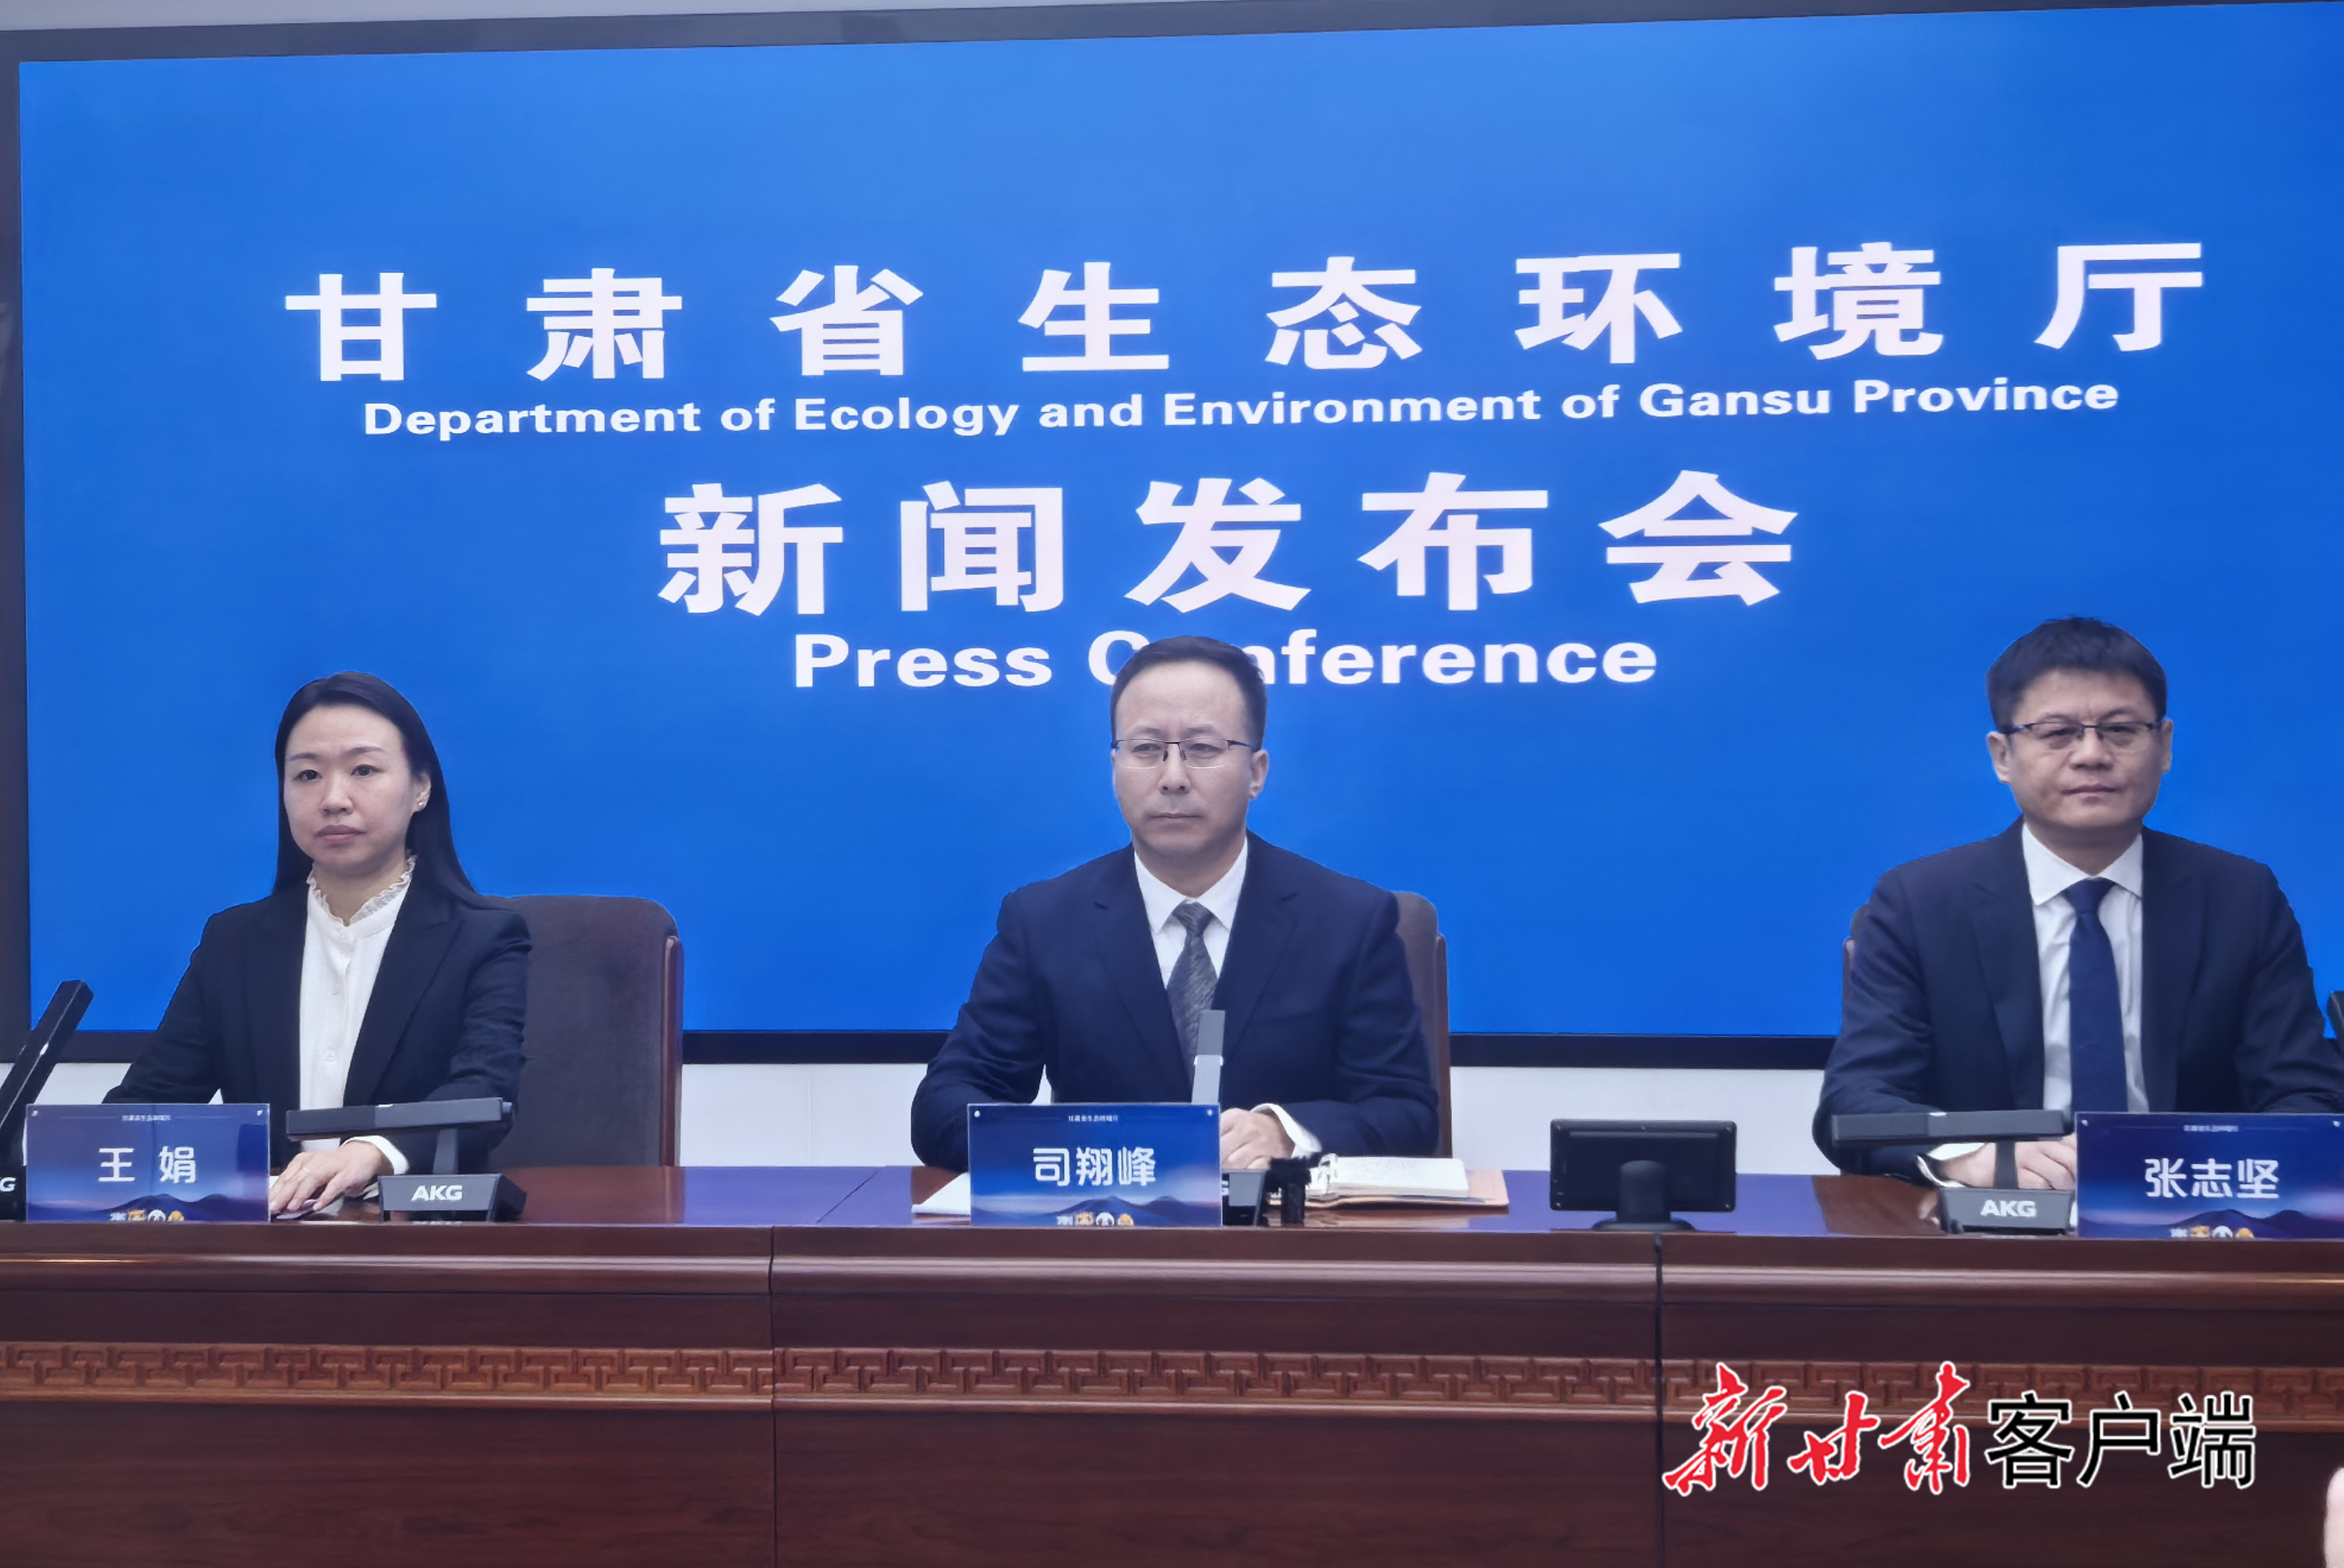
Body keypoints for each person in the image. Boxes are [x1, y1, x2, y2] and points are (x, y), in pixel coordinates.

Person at [1816, 617, 2344, 1186]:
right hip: (1994, 1215)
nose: (2091, 754)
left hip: (2186, 1207)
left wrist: (2208, 1173)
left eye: (2120, 730)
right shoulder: (1920, 902)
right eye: (2058, 732)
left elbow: (2305, 1094)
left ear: (2164, 746)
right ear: (2002, 755)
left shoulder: (2240, 897)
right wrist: (1974, 1155)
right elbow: (1857, 1102)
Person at [911, 635, 1439, 1172]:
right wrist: (1089, 1144)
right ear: (1115, 766)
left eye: (1203, 749)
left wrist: (1284, 1134)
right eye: (1146, 749)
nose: (1172, 778)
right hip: (1108, 1213)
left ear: (1256, 772)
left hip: (1280, 1218)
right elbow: (945, 1107)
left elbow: (1406, 1114)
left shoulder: (1348, 920)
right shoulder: (1045, 921)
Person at [110, 673, 529, 1215]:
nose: (333, 799)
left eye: (364, 770)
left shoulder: (484, 937)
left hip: (413, 1234)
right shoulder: (234, 942)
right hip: (269, 1242)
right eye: (307, 774)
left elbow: (481, 1092)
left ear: (421, 787)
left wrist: (370, 1153)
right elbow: (150, 1105)